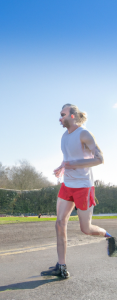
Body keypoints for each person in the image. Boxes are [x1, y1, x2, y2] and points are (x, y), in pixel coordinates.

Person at [52, 103, 115, 279]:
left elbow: (100, 158)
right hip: (67, 185)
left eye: (63, 114)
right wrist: (62, 166)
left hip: (83, 187)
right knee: (59, 223)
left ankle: (109, 237)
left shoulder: (84, 133)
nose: (60, 117)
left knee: (86, 229)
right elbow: (68, 158)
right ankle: (61, 266)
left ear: (72, 115)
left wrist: (73, 164)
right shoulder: (64, 136)